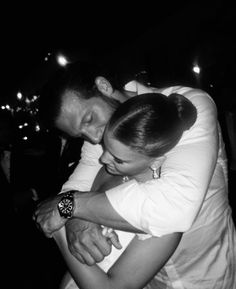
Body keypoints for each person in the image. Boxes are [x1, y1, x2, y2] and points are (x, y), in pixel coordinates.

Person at [34, 61, 236, 287]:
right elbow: (77, 187)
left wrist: (67, 209)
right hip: (148, 279)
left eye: (89, 119)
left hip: (206, 275)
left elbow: (173, 208)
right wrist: (72, 220)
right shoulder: (108, 135)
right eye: (80, 134)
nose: (92, 137)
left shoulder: (183, 109)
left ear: (103, 86)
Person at [54, 92, 198, 289]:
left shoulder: (163, 217)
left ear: (155, 161)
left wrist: (59, 231)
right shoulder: (108, 172)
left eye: (118, 158)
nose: (103, 160)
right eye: (106, 146)